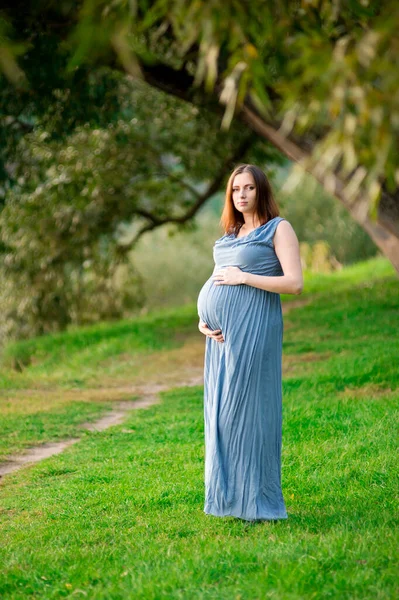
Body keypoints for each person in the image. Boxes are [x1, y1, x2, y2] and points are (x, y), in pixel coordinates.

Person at [197, 163, 303, 522]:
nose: (242, 195)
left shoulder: (278, 229)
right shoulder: (231, 234)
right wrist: (203, 319)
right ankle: (229, 502)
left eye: (249, 188)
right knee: (221, 417)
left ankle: (259, 503)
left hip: (256, 330)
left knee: (250, 414)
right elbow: (215, 279)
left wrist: (246, 277)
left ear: (261, 191)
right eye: (236, 189)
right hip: (221, 340)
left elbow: (294, 284)